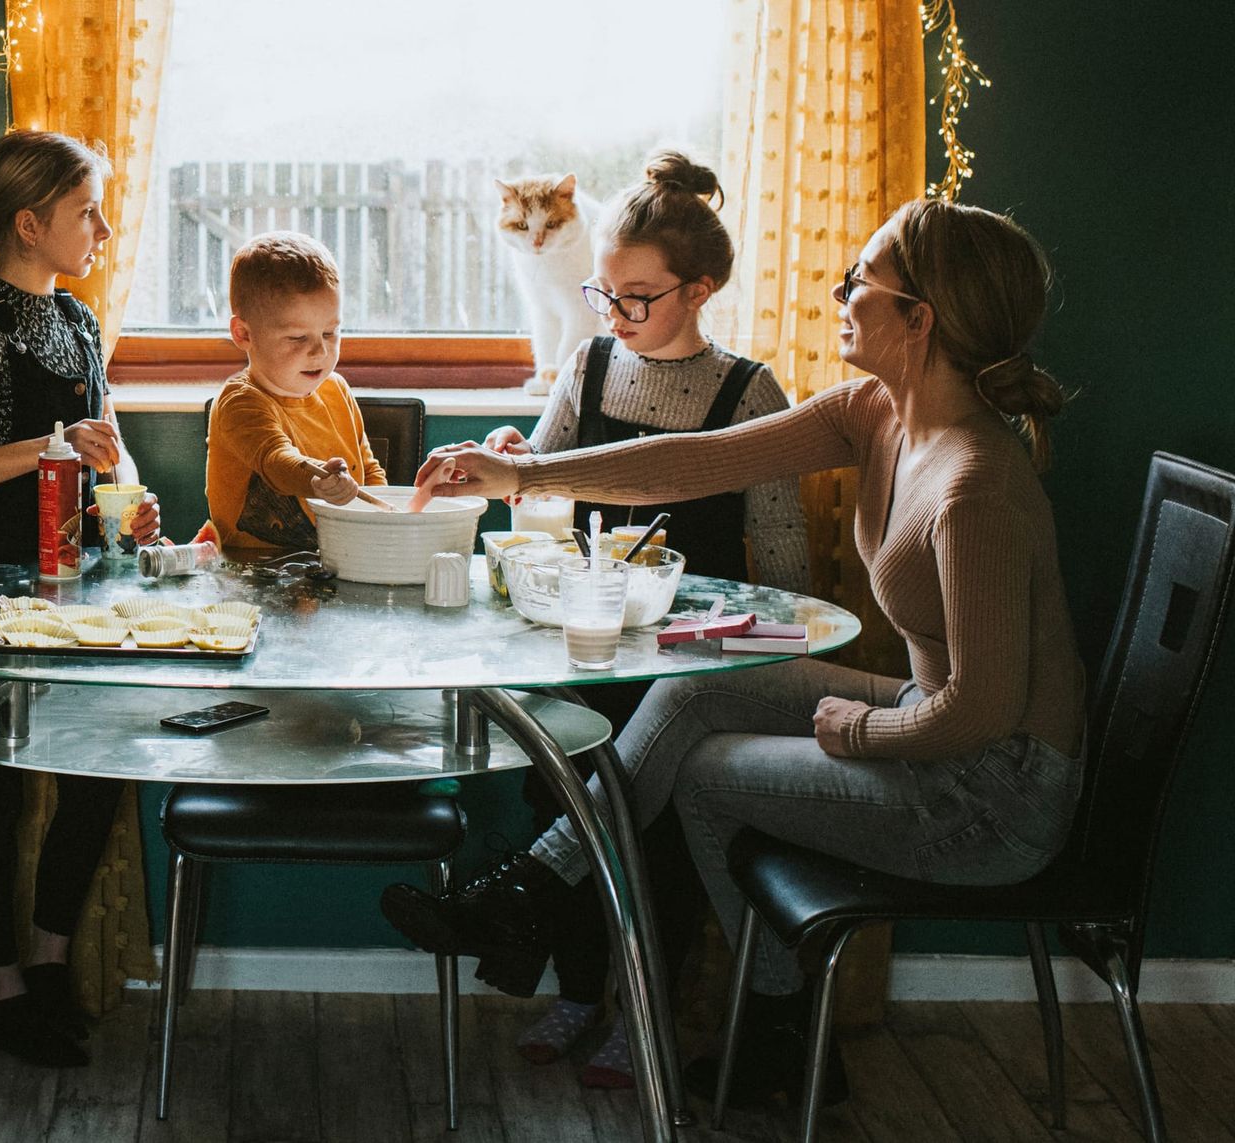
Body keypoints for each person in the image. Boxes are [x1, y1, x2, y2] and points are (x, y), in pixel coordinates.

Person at [382, 198, 1083, 1107]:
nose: (841, 295)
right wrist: (525, 474)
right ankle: (542, 889)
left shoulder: (975, 486)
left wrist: (860, 730)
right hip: (941, 726)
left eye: (859, 283)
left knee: (706, 772)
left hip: (994, 789)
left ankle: (775, 1030)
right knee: (692, 689)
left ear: (920, 320)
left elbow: (985, 709)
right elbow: (694, 461)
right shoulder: (879, 410)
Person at [482, 151, 810, 1088]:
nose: (617, 317)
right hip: (583, 647)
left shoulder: (746, 392)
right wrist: (512, 459)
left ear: (698, 290)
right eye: (605, 295)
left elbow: (782, 562)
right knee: (564, 801)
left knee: (658, 834)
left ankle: (649, 1005)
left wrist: (766, 667)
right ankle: (582, 989)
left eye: (639, 298)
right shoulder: (585, 367)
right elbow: (535, 498)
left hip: (686, 667)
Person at [0, 129, 161, 1067]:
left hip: (77, 585)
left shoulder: (83, 322)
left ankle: (49, 966)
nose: (101, 226)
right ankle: (4, 994)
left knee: (97, 771)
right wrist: (50, 445)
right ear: (28, 221)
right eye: (86, 210)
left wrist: (130, 506)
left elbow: (111, 445)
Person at [204, 231, 386, 551]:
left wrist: (386, 519)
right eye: (297, 338)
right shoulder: (240, 401)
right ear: (243, 333)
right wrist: (317, 481)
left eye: (330, 333)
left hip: (335, 563)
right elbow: (277, 461)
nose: (319, 352)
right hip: (254, 575)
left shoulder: (336, 390)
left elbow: (368, 470)